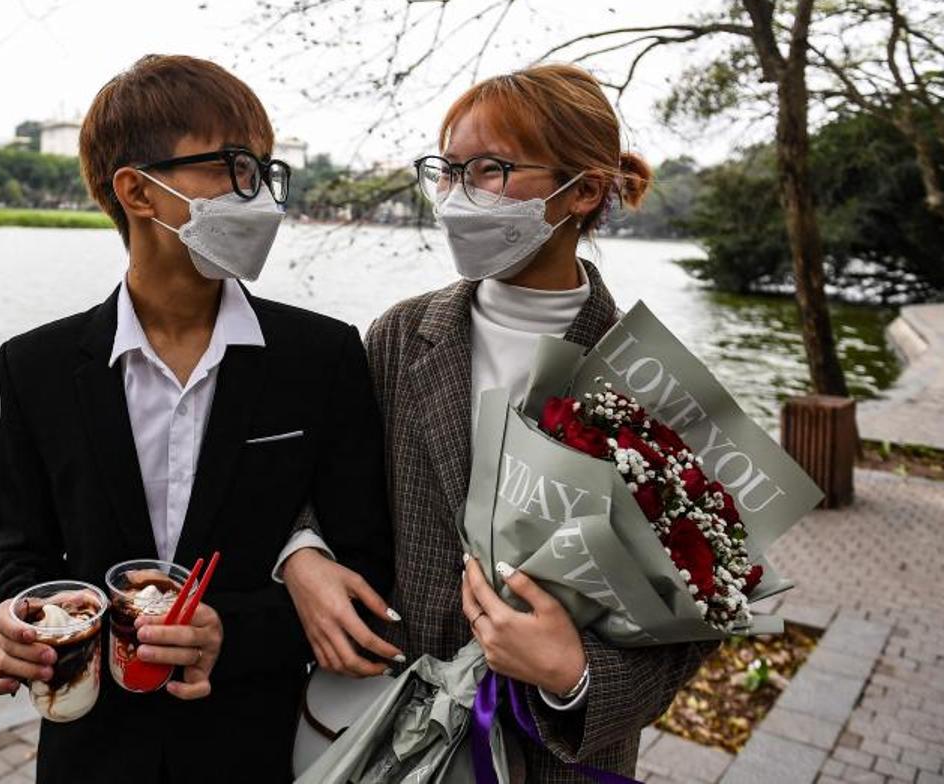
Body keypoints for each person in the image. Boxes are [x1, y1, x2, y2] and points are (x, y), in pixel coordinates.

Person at [281, 63, 717, 781]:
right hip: (388, 727)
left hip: (553, 756)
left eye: (489, 169)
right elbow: (320, 480)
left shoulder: (650, 382)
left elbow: (694, 616)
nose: (457, 196)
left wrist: (574, 673)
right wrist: (303, 557)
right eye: (446, 170)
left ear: (582, 190)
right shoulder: (399, 335)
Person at [0, 54, 395, 783]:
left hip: (259, 746)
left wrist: (230, 631)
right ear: (138, 191)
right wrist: (18, 613)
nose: (258, 192)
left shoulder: (321, 356)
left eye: (264, 170)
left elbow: (368, 565)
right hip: (90, 749)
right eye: (232, 167)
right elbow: (20, 549)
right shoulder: (35, 365)